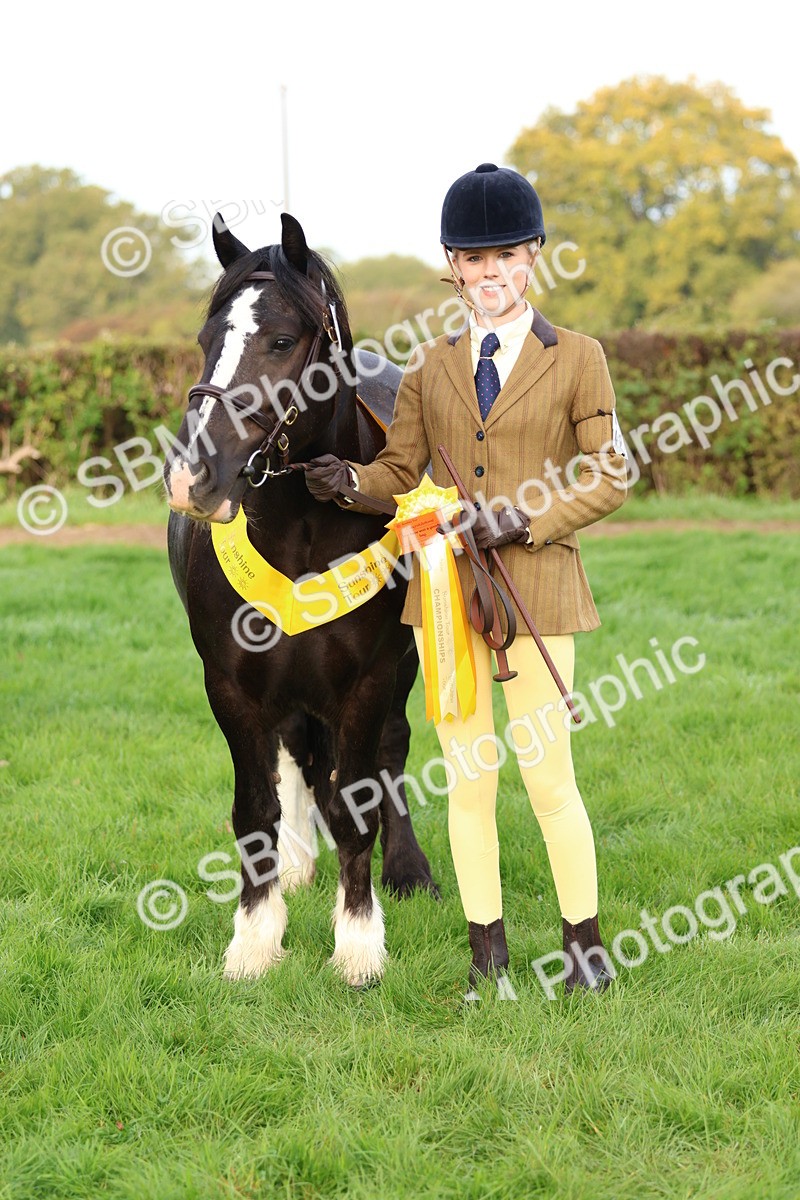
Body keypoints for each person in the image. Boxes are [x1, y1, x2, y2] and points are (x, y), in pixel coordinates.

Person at [304, 163, 628, 999]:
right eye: (475, 259)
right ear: (452, 265)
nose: (491, 273)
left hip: (539, 590)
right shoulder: (428, 367)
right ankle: (488, 955)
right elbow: (399, 471)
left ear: (534, 256)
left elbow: (611, 475)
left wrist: (523, 519)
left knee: (548, 778)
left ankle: (585, 949)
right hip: (444, 599)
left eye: (507, 256)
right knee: (468, 780)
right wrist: (350, 481)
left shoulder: (579, 358)